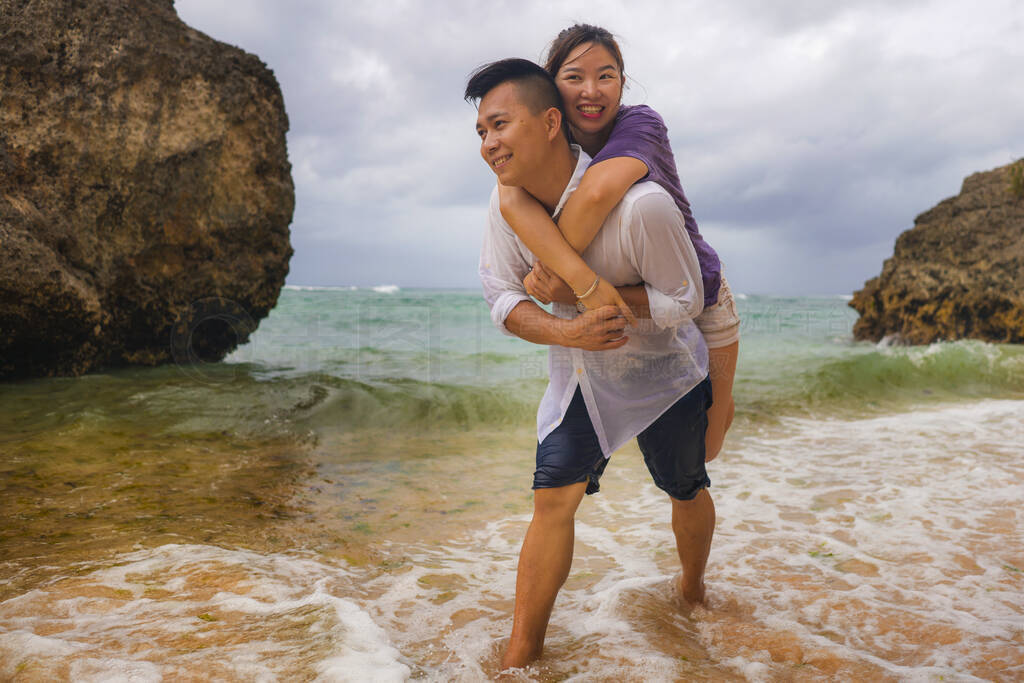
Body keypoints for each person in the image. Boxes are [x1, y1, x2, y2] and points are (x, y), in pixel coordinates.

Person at [466, 58, 715, 670]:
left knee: (684, 486)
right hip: (579, 377)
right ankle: (521, 658)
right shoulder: (507, 208)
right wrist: (568, 330)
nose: (489, 143)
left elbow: (687, 299)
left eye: (499, 125)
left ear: (551, 122)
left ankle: (692, 591)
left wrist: (609, 305)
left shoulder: (643, 206)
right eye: (480, 133)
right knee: (552, 499)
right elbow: (501, 295)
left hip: (666, 379)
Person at [498, 24, 739, 463]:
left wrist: (553, 275)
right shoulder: (552, 139)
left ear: (623, 83)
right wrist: (571, 282)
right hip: (624, 299)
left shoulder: (640, 123)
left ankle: (723, 409)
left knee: (707, 451)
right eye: (574, 77)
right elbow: (509, 194)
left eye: (606, 76)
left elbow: (595, 193)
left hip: (702, 297)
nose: (591, 91)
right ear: (552, 86)